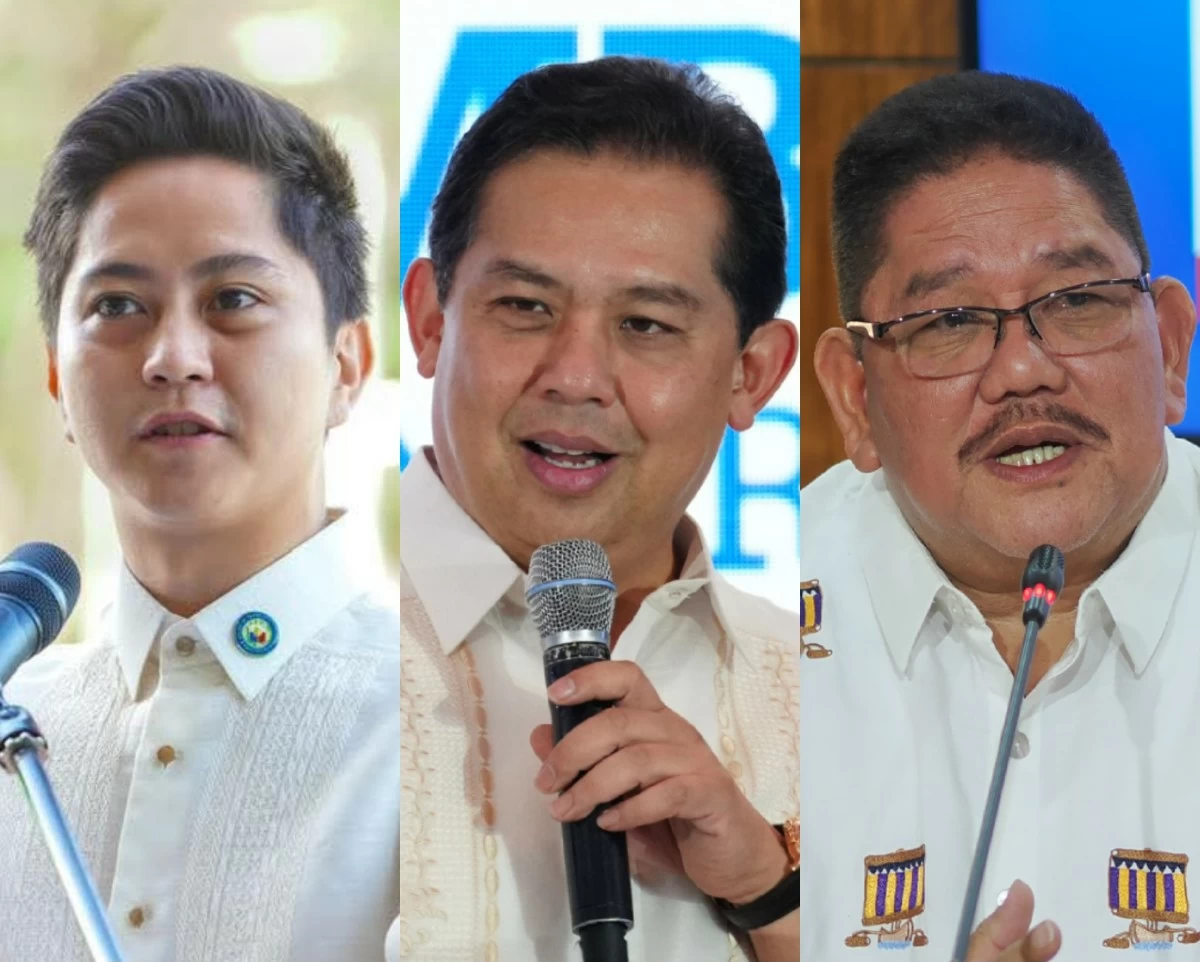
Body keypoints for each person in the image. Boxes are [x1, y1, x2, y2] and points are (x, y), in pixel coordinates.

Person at [399, 56, 799, 961]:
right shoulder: (327, 647)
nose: (575, 378)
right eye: (525, 306)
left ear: (753, 373)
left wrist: (772, 896)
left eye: (645, 324)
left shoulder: (827, 686)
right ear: (430, 320)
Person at [0, 67, 399, 961]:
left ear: (347, 365)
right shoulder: (18, 706)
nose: (172, 357)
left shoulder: (454, 721)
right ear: (58, 380)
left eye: (234, 301)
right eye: (117, 307)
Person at [803, 70, 1200, 960]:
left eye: (1078, 302)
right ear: (854, 399)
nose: (1023, 371)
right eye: (948, 321)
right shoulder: (749, 632)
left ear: (1171, 347)